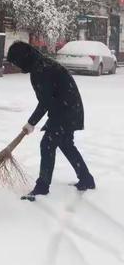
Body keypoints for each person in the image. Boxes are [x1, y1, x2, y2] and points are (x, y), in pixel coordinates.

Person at [7, 41, 95, 200]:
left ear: (22, 59)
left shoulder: (41, 69)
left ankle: (42, 187)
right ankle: (86, 179)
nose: (17, 67)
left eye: (16, 63)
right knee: (66, 144)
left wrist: (31, 123)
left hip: (65, 111)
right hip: (69, 109)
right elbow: (49, 99)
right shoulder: (41, 65)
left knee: (47, 144)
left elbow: (45, 102)